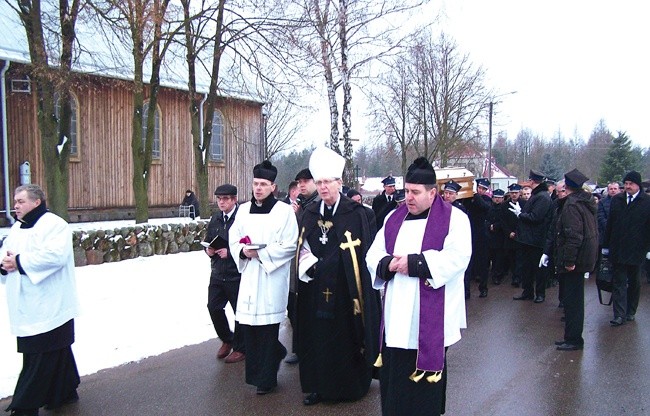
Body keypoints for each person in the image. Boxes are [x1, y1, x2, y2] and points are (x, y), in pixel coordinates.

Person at [366, 157, 471, 416]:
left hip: (431, 319)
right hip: (396, 315)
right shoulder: (393, 218)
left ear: (432, 192)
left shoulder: (455, 219)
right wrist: (388, 263)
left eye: (415, 192)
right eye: (406, 191)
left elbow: (458, 257)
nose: (409, 198)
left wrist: (414, 263)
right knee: (394, 381)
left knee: (424, 392)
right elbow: (373, 254)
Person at [295, 147, 381, 406]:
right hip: (315, 288)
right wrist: (309, 264)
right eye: (318, 182)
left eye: (327, 182)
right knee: (317, 338)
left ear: (339, 183)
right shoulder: (308, 213)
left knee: (344, 338)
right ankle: (318, 386)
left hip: (346, 291)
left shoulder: (358, 214)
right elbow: (301, 246)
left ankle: (349, 386)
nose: (322, 187)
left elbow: (364, 252)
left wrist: (330, 267)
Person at [0, 184, 81, 416]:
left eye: (21, 201)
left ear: (36, 202)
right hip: (27, 302)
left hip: (51, 302)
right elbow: (7, 251)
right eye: (15, 202)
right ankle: (64, 391)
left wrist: (20, 261)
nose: (15, 206)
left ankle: (25, 406)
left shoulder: (55, 225)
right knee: (56, 349)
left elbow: (55, 256)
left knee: (39, 355)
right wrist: (5, 264)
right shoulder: (18, 228)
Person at [228, 160, 298, 394]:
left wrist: (262, 253)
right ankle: (260, 370)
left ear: (273, 187)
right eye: (256, 183)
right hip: (249, 276)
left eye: (263, 184)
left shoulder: (284, 211)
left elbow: (290, 245)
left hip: (271, 276)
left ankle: (266, 380)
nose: (258, 188)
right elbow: (234, 238)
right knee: (250, 330)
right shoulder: (244, 209)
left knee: (267, 330)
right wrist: (242, 251)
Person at [551, 169, 598, 351]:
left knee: (573, 301)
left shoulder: (572, 205)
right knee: (575, 300)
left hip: (574, 261)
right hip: (584, 257)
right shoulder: (585, 201)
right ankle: (572, 336)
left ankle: (573, 339)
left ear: (568, 187)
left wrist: (569, 261)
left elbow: (573, 236)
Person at [602, 171, 650, 326]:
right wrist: (606, 245)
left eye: (631, 184)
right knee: (619, 282)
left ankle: (630, 311)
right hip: (619, 247)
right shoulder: (617, 200)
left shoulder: (646, 202)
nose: (628, 187)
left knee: (634, 282)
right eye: (626, 184)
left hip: (637, 249)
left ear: (638, 185)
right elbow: (610, 223)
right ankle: (619, 314)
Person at [204, 184, 245, 364]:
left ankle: (241, 347)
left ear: (234, 200)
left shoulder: (243, 218)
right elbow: (207, 241)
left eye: (225, 199)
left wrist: (231, 252)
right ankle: (227, 339)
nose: (221, 202)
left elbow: (247, 242)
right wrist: (209, 251)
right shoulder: (215, 218)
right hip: (218, 273)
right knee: (213, 307)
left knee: (240, 313)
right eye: (219, 199)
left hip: (236, 273)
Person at [510, 170, 553, 303]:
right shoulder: (538, 195)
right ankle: (527, 291)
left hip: (536, 239)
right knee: (526, 267)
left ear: (533, 181)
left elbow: (536, 217)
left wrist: (520, 214)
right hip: (528, 239)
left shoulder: (542, 197)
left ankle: (540, 293)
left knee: (538, 268)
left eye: (529, 180)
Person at [465, 178, 492, 298]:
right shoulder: (469, 199)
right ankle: (467, 290)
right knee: (469, 263)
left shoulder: (486, 200)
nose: (481, 190)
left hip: (482, 235)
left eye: (483, 189)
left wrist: (475, 195)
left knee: (483, 264)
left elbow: (484, 206)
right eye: (479, 188)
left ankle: (483, 288)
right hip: (470, 233)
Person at [502, 183, 524, 287]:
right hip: (509, 235)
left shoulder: (524, 204)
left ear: (520, 193)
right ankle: (514, 275)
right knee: (511, 257)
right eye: (512, 193)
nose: (514, 195)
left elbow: (525, 220)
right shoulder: (505, 205)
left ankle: (518, 278)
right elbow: (503, 221)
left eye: (516, 193)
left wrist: (517, 231)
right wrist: (508, 232)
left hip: (520, 235)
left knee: (520, 257)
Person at [487, 189, 506, 285]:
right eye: (495, 198)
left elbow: (505, 222)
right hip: (489, 236)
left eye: (499, 198)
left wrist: (495, 226)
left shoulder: (505, 208)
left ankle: (497, 275)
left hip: (500, 236)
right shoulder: (489, 208)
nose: (497, 200)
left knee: (498, 258)